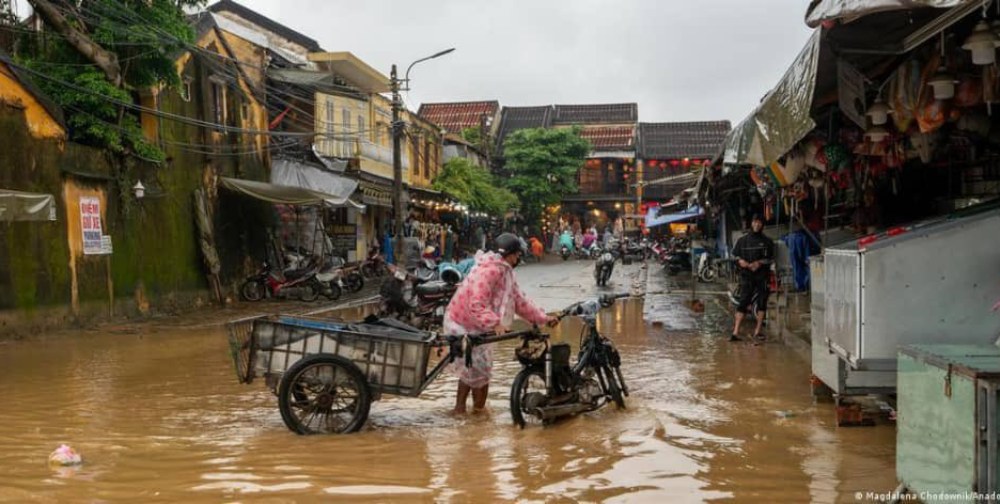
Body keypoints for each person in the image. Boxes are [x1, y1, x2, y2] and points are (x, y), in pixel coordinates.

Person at [443, 233, 556, 414]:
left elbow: (519, 302)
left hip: (478, 325)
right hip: (463, 323)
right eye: (518, 254)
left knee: (473, 369)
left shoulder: (503, 271)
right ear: (510, 254)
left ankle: (469, 412)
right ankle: (473, 413)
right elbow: (477, 303)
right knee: (478, 369)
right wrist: (495, 324)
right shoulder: (490, 271)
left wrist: (542, 318)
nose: (519, 258)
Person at [731, 214, 775, 343]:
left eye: (759, 222)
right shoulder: (742, 241)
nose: (757, 224)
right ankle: (735, 332)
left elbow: (771, 258)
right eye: (755, 222)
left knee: (762, 302)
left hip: (762, 276)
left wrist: (759, 263)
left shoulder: (768, 241)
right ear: (751, 223)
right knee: (743, 301)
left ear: (762, 225)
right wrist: (741, 262)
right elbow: (734, 257)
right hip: (747, 276)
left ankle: (757, 331)